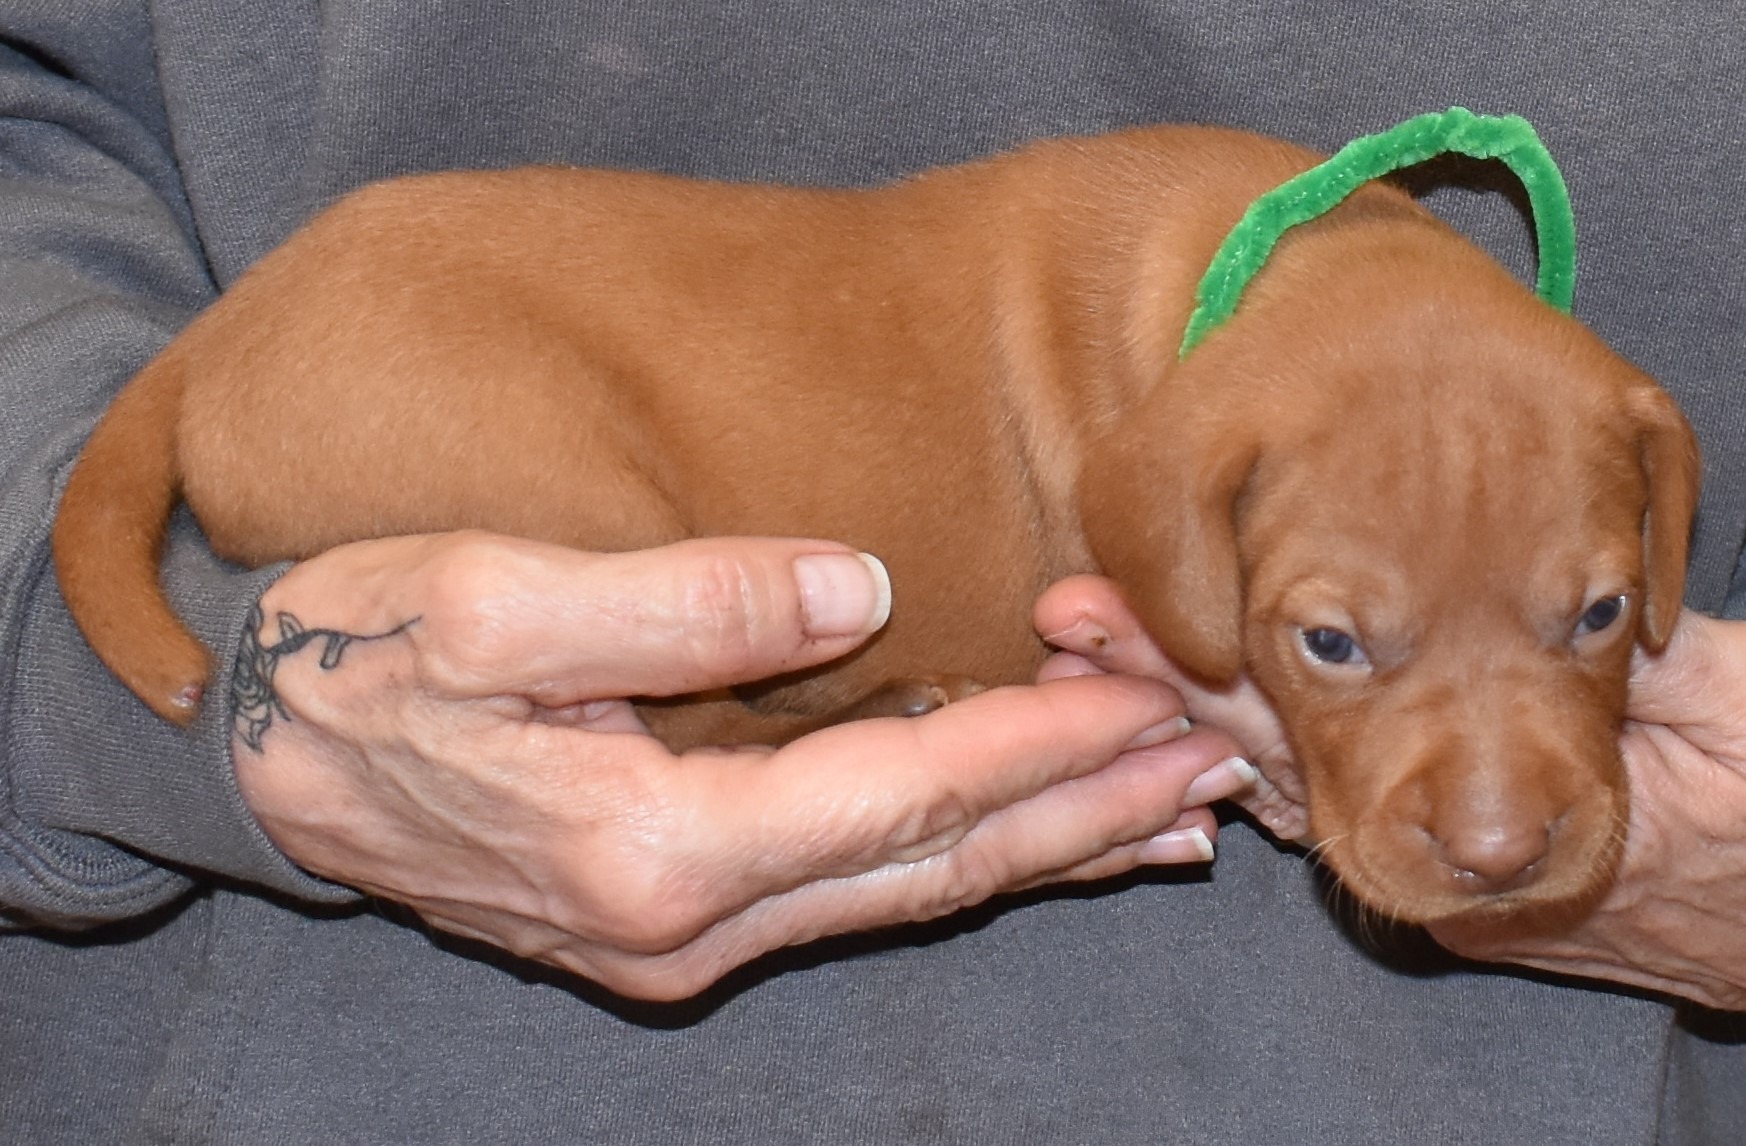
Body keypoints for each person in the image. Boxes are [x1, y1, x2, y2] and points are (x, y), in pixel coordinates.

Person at [2, 3, 1743, 1142]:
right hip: (353, 1023)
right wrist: (151, 696)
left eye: (1595, 611)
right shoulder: (1141, 392)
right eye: (1338, 641)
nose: (1497, 824)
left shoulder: (1303, 355)